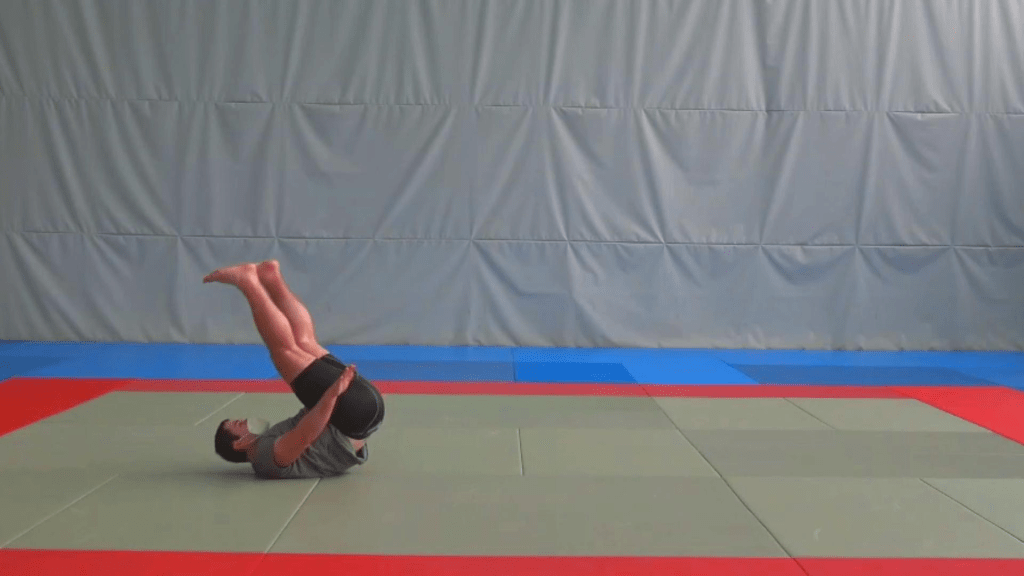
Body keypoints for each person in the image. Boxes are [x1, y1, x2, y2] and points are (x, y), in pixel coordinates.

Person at [205, 260, 384, 479]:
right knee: (284, 351)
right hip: (353, 415)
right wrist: (333, 393)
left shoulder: (268, 443)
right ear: (240, 444)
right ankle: (248, 282)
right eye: (238, 424)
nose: (244, 420)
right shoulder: (263, 457)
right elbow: (305, 435)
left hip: (357, 415)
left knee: (304, 342)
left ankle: (272, 278)